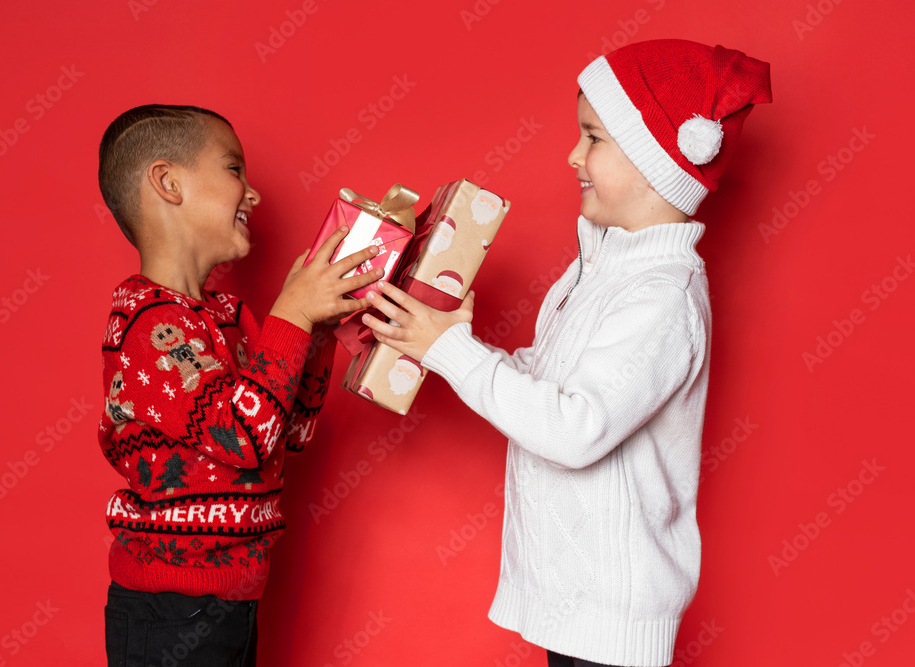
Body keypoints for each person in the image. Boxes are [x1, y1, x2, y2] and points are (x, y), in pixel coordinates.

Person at [361, 40, 772, 666]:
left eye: (593, 137)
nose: (572, 155)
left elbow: (576, 429)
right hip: (577, 606)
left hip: (612, 617)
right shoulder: (603, 268)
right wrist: (457, 345)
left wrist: (450, 352)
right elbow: (555, 386)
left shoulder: (662, 297)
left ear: (656, 157)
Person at [96, 104, 382, 666]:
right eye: (234, 170)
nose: (252, 194)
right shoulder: (147, 322)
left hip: (234, 599)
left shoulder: (227, 315)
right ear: (168, 182)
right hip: (168, 607)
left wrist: (315, 333)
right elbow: (241, 436)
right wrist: (291, 317)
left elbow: (286, 433)